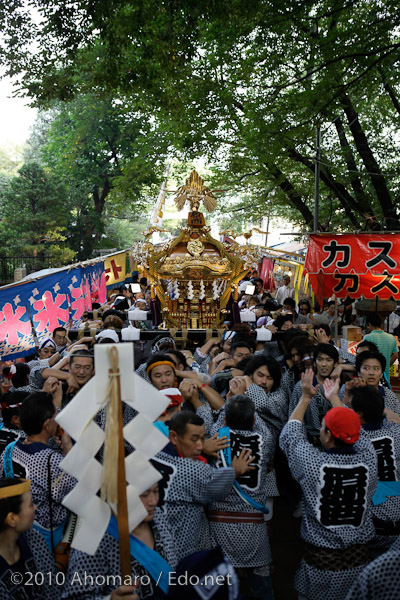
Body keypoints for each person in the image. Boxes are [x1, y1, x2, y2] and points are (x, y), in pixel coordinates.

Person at [280, 369, 378, 600]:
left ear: (326, 436)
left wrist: (305, 397)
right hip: (359, 564)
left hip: (320, 568)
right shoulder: (369, 458)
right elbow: (356, 431)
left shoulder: (314, 463)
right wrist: (334, 398)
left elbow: (291, 434)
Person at [152, 411, 255, 563]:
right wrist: (234, 470)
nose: (201, 446)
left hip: (154, 544)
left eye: (202, 438)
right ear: (173, 437)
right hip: (181, 550)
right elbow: (216, 483)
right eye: (194, 439)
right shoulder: (193, 470)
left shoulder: (153, 455)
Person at [207, 395, 275, 599]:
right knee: (262, 589)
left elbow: (221, 420)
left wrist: (228, 402)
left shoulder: (216, 436)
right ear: (253, 420)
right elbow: (259, 426)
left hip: (218, 525)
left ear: (226, 420)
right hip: (253, 526)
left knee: (218, 589)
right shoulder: (265, 440)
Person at [62, 484, 172, 599]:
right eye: (144, 495)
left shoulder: (157, 517)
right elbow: (74, 596)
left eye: (156, 491)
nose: (153, 501)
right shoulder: (93, 537)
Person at [0, 392, 76, 551]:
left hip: (14, 531)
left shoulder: (9, 448)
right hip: (44, 540)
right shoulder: (52, 461)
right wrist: (69, 449)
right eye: (56, 415)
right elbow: (77, 495)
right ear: (47, 424)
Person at [0, 478, 60, 600]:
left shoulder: (34, 538)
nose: (35, 507)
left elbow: (53, 587)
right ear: (12, 519)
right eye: (31, 504)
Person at [288, 343, 342, 444]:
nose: (324, 364)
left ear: (335, 363)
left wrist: (342, 366)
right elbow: (295, 418)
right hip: (311, 443)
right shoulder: (303, 385)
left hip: (337, 442)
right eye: (320, 359)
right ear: (314, 362)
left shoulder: (341, 385)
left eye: (329, 360)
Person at [363, 312, 398, 382]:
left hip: (371, 376)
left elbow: (364, 356)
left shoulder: (367, 337)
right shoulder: (391, 337)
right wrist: (387, 365)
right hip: (385, 376)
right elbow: (395, 355)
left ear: (369, 324)